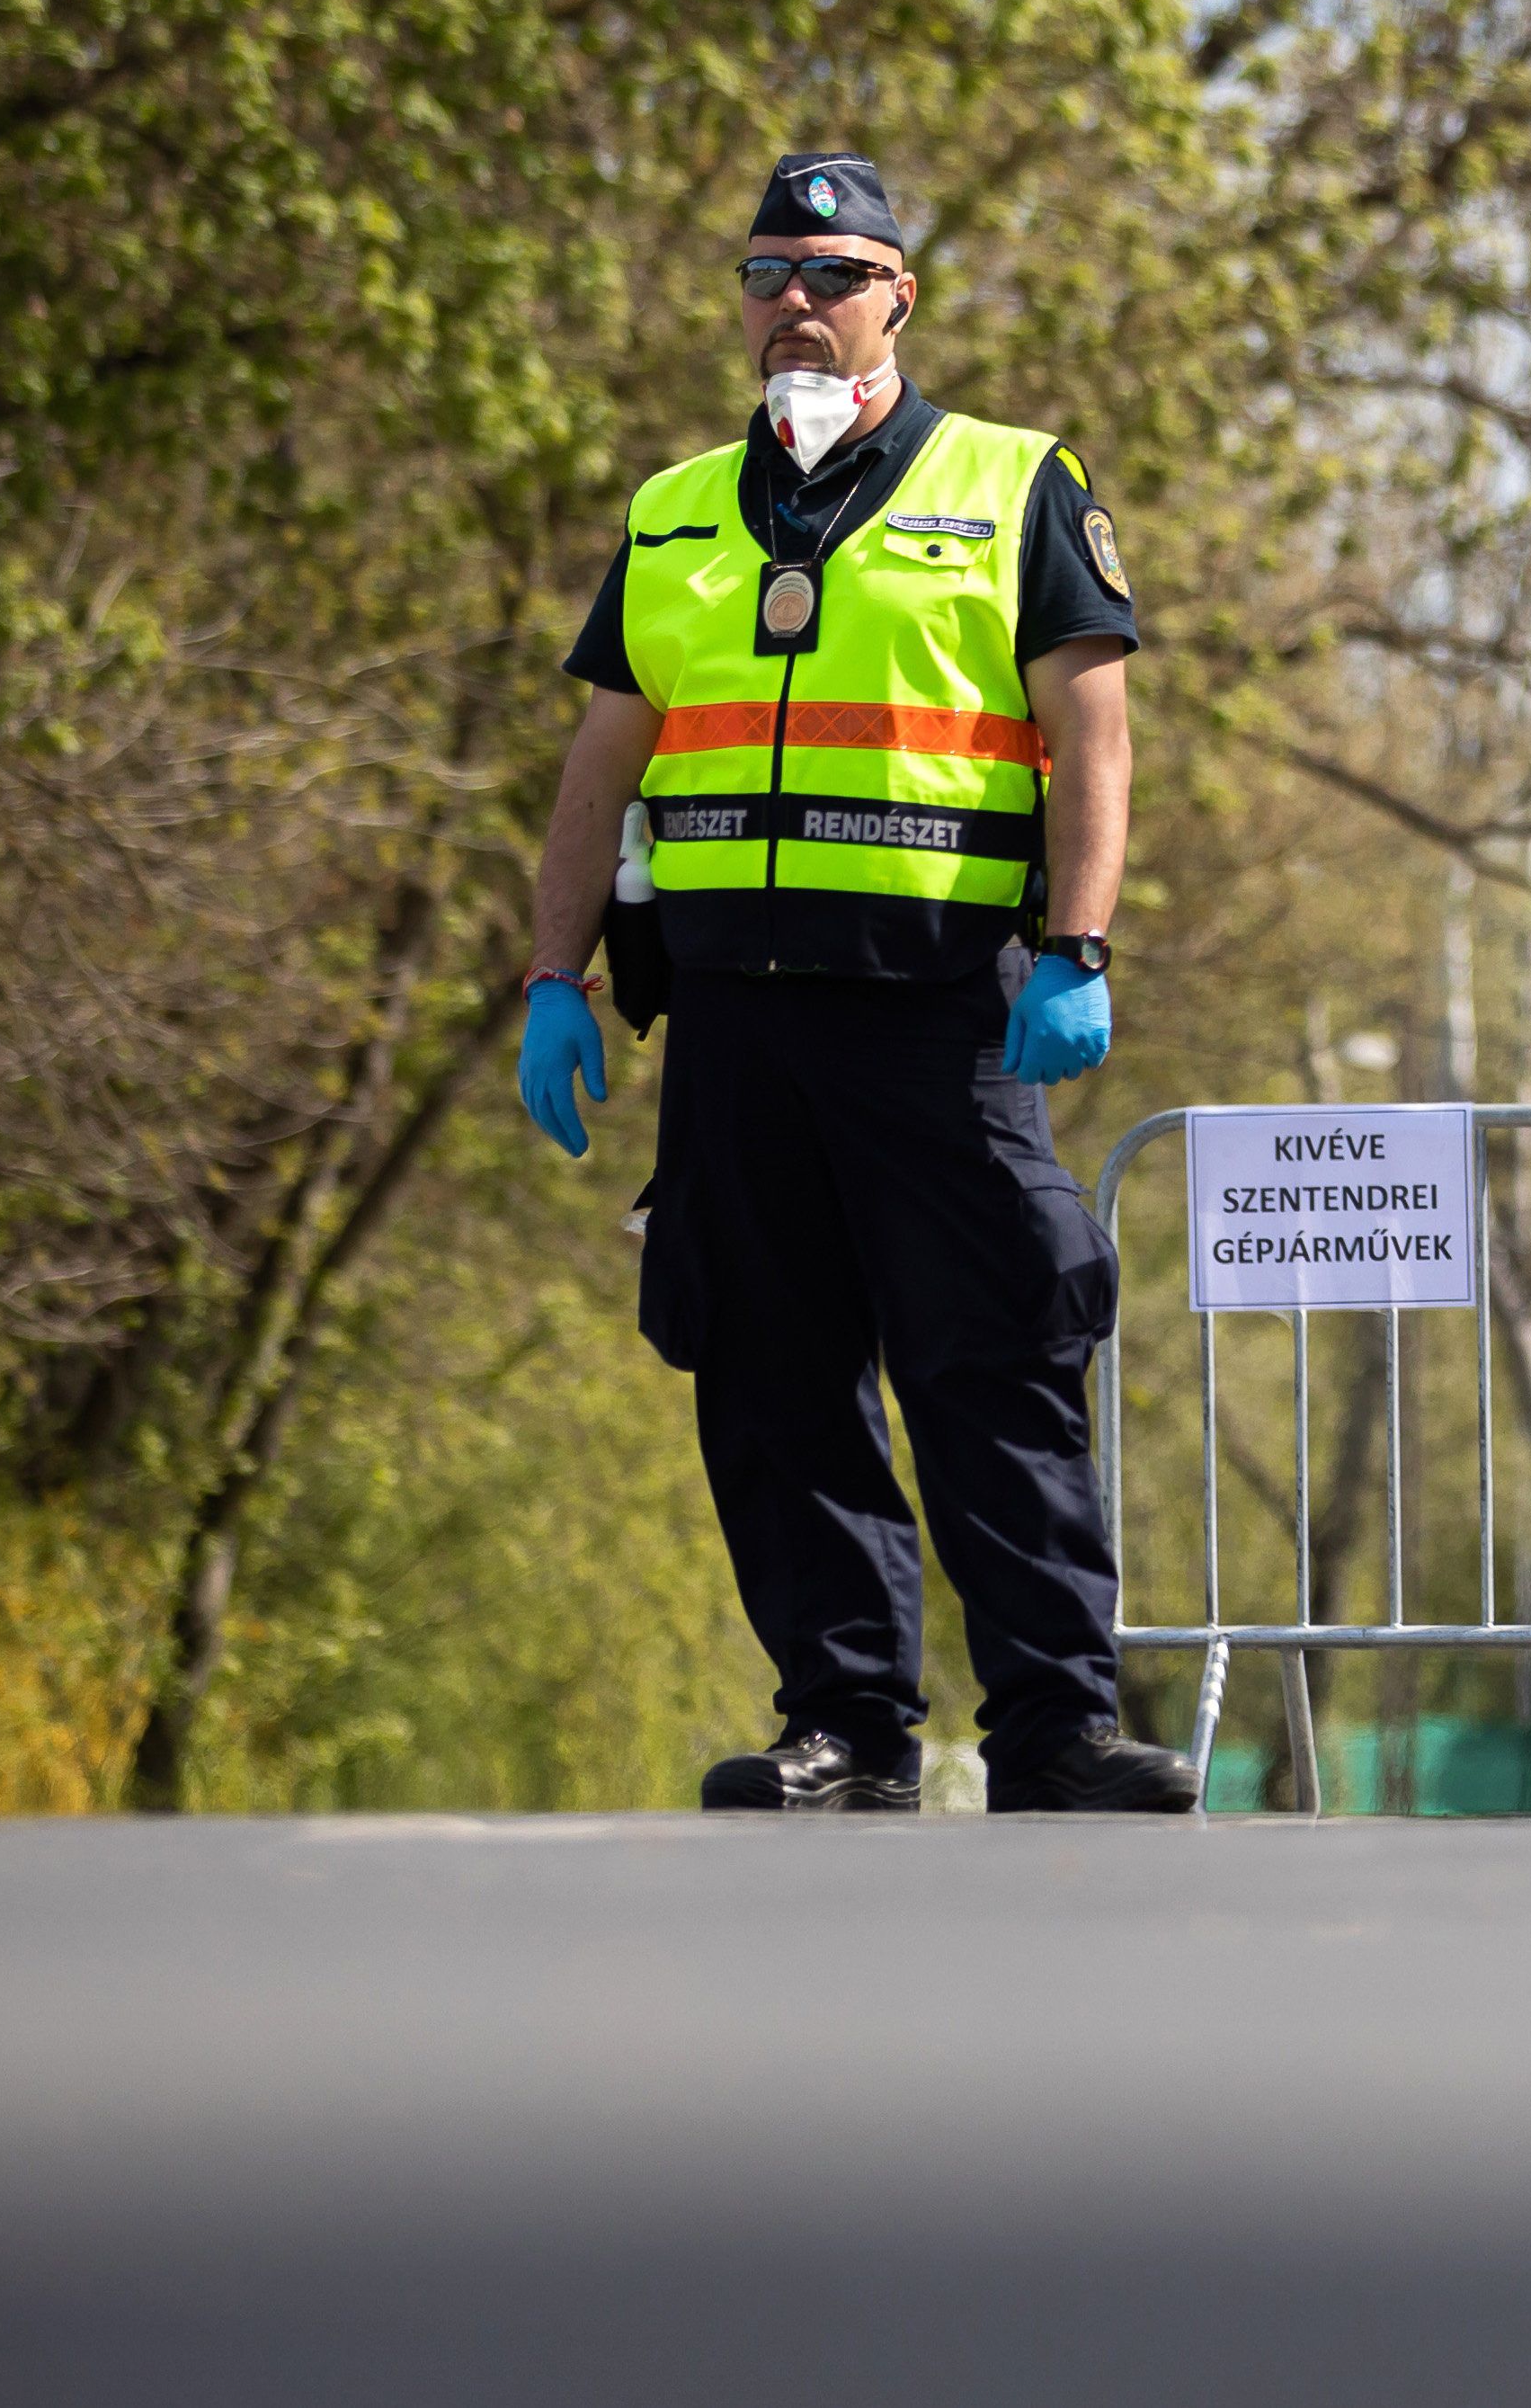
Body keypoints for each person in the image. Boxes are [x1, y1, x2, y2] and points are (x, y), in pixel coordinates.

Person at [512, 152, 1197, 1815]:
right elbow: (602, 766)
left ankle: (1055, 1732)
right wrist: (554, 974)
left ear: (901, 293)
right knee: (771, 1374)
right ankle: (845, 1727)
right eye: (765, 275)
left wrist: (1083, 944)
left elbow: (1088, 735)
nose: (793, 304)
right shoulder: (676, 508)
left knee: (995, 1364)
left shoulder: (1014, 481)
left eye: (831, 271)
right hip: (737, 1019)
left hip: (943, 1010)